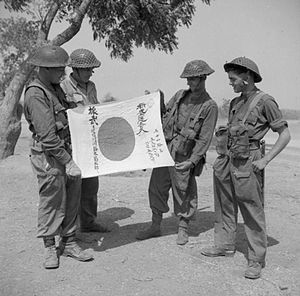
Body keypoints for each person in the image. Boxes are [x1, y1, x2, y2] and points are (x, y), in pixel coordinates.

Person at [201, 57, 291, 279]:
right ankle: (224, 245)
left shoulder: (266, 101)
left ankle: (256, 260)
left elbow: (285, 135)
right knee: (223, 204)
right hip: (228, 158)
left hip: (248, 160)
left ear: (247, 77)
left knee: (251, 209)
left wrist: (265, 160)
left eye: (233, 79)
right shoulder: (234, 103)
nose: (230, 83)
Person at [24, 45, 93, 269]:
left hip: (65, 150)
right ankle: (49, 247)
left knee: (73, 196)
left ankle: (70, 241)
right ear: (43, 68)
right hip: (50, 156)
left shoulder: (55, 89)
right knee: (52, 200)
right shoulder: (36, 93)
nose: (63, 73)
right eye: (58, 69)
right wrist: (69, 161)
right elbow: (47, 136)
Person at [136, 60, 218, 245]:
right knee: (157, 187)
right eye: (187, 79)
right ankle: (155, 225)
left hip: (185, 154)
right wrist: (158, 101)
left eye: (192, 79)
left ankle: (183, 228)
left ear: (202, 78)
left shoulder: (209, 106)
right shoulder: (180, 95)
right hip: (165, 149)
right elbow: (165, 114)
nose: (188, 82)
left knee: (184, 190)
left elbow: (205, 138)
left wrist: (193, 161)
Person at [61, 48, 110, 233]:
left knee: (90, 187)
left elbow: (94, 109)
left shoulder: (91, 86)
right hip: (72, 146)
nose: (91, 73)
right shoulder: (63, 86)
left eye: (92, 70)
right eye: (88, 69)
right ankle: (69, 229)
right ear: (76, 69)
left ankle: (88, 223)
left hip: (89, 144)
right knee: (72, 188)